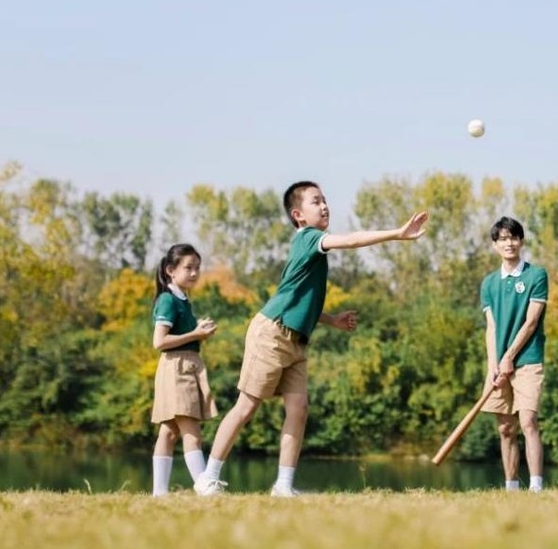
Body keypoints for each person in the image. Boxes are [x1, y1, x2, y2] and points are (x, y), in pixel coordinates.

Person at [193, 181, 427, 496]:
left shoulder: (312, 250)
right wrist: (396, 234)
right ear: (299, 215)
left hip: (297, 339)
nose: (325, 206)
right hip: (272, 334)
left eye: (325, 200)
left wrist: (332, 320)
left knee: (299, 407)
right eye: (316, 201)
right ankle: (208, 477)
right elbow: (352, 240)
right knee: (247, 406)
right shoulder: (309, 239)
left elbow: (300, 300)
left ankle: (284, 486)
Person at [479, 217, 549, 492]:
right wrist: (493, 365)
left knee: (527, 420)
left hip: (528, 360)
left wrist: (509, 357)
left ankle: (536, 487)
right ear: (495, 245)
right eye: (503, 239)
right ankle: (511, 489)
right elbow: (491, 328)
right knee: (506, 429)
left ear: (521, 241)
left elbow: (531, 322)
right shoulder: (489, 284)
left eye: (514, 237)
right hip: (499, 365)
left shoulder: (536, 275)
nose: (509, 243)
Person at [150, 243, 219, 496]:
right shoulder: (168, 299)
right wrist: (196, 333)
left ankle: (159, 494)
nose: (194, 273)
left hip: (182, 366)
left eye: (197, 268)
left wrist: (197, 331)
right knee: (192, 432)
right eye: (188, 267)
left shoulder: (182, 299)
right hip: (177, 368)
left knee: (169, 432)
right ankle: (205, 487)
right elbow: (159, 342)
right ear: (170, 270)